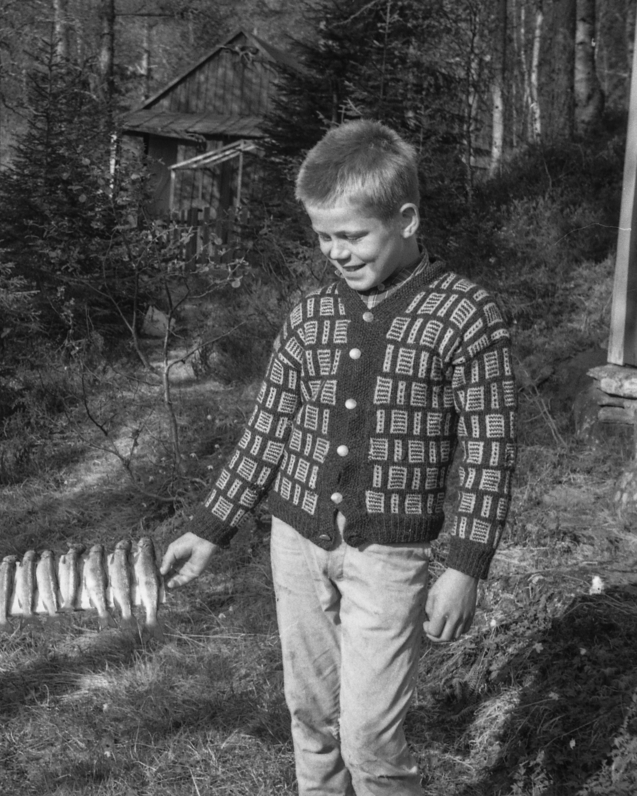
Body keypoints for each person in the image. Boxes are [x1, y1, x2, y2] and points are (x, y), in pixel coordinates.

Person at [159, 120, 516, 796]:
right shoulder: (309, 313)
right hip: (295, 543)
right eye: (325, 237)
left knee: (371, 737)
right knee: (313, 718)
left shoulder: (466, 316)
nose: (337, 253)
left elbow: (492, 450)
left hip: (389, 557)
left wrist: (466, 565)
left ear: (406, 219)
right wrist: (209, 528)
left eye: (352, 235)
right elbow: (268, 426)